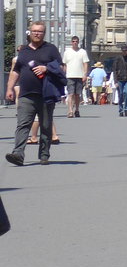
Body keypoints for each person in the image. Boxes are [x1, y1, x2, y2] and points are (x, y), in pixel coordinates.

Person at [6, 22, 66, 166]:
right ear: (30, 33)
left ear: (44, 33)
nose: (36, 34)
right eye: (34, 31)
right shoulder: (24, 51)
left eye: (39, 31)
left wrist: (47, 68)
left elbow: (61, 67)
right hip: (26, 94)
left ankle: (44, 154)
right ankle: (18, 154)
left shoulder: (50, 49)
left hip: (46, 94)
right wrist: (9, 88)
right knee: (22, 124)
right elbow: (16, 70)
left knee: (45, 125)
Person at [62, 35, 89, 118]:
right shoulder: (67, 52)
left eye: (76, 41)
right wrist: (64, 74)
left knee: (77, 94)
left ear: (78, 42)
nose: (75, 43)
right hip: (70, 76)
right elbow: (65, 64)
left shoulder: (83, 52)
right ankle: (70, 111)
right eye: (73, 41)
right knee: (70, 94)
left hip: (79, 76)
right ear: (71, 42)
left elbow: (85, 64)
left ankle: (77, 110)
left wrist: (85, 74)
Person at [112, 44, 127, 117]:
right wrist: (115, 81)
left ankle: (126, 109)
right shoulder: (118, 58)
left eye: (126, 50)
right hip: (120, 79)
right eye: (123, 50)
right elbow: (114, 70)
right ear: (121, 51)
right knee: (121, 94)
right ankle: (121, 110)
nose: (125, 52)